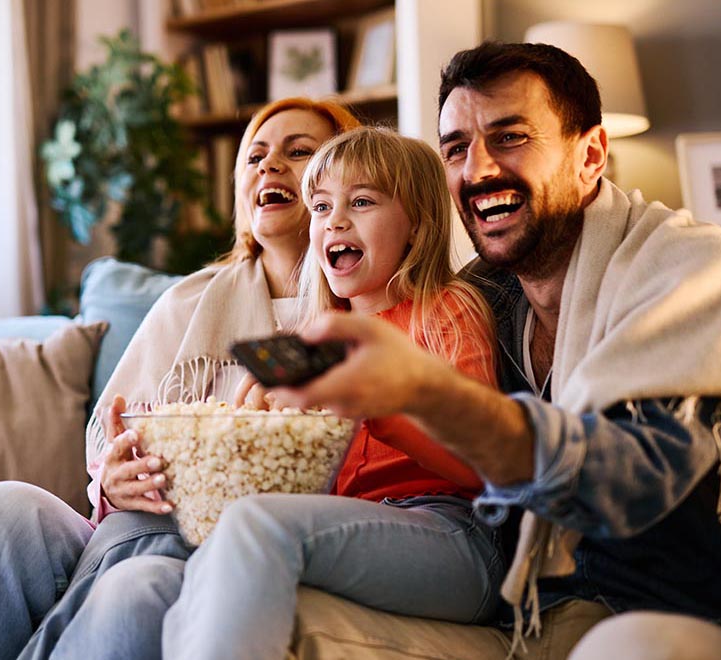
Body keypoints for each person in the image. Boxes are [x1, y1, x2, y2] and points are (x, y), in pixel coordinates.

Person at [268, 42, 721, 659]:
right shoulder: (479, 298)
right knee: (279, 613)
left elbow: (643, 481)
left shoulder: (690, 270)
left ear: (591, 155)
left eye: (511, 137)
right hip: (518, 610)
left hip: (665, 608)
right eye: (456, 149)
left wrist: (429, 396)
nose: (479, 170)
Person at [0, 97, 362, 660]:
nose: (269, 167)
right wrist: (112, 478)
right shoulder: (186, 302)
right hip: (131, 524)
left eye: (299, 153)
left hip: (220, 547)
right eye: (255, 157)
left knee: (138, 577)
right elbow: (113, 434)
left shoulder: (369, 312)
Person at [159, 125, 504, 660]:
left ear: (417, 224)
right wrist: (256, 418)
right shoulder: (316, 336)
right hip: (346, 526)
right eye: (320, 207)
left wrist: (384, 412)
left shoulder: (446, 311)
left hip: (453, 534)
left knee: (256, 527)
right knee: (171, 570)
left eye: (361, 201)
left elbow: (486, 470)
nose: (334, 221)